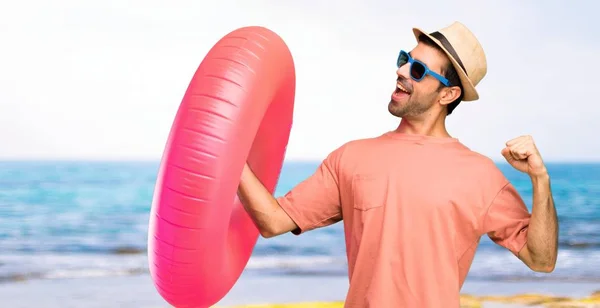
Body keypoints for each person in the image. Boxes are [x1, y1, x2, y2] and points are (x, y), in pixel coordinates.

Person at [237, 21, 558, 308]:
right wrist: (228, 149)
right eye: (405, 60)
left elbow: (541, 260)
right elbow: (274, 221)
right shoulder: (351, 157)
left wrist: (540, 180)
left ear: (448, 95)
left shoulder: (480, 175)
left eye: (417, 70)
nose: (401, 71)